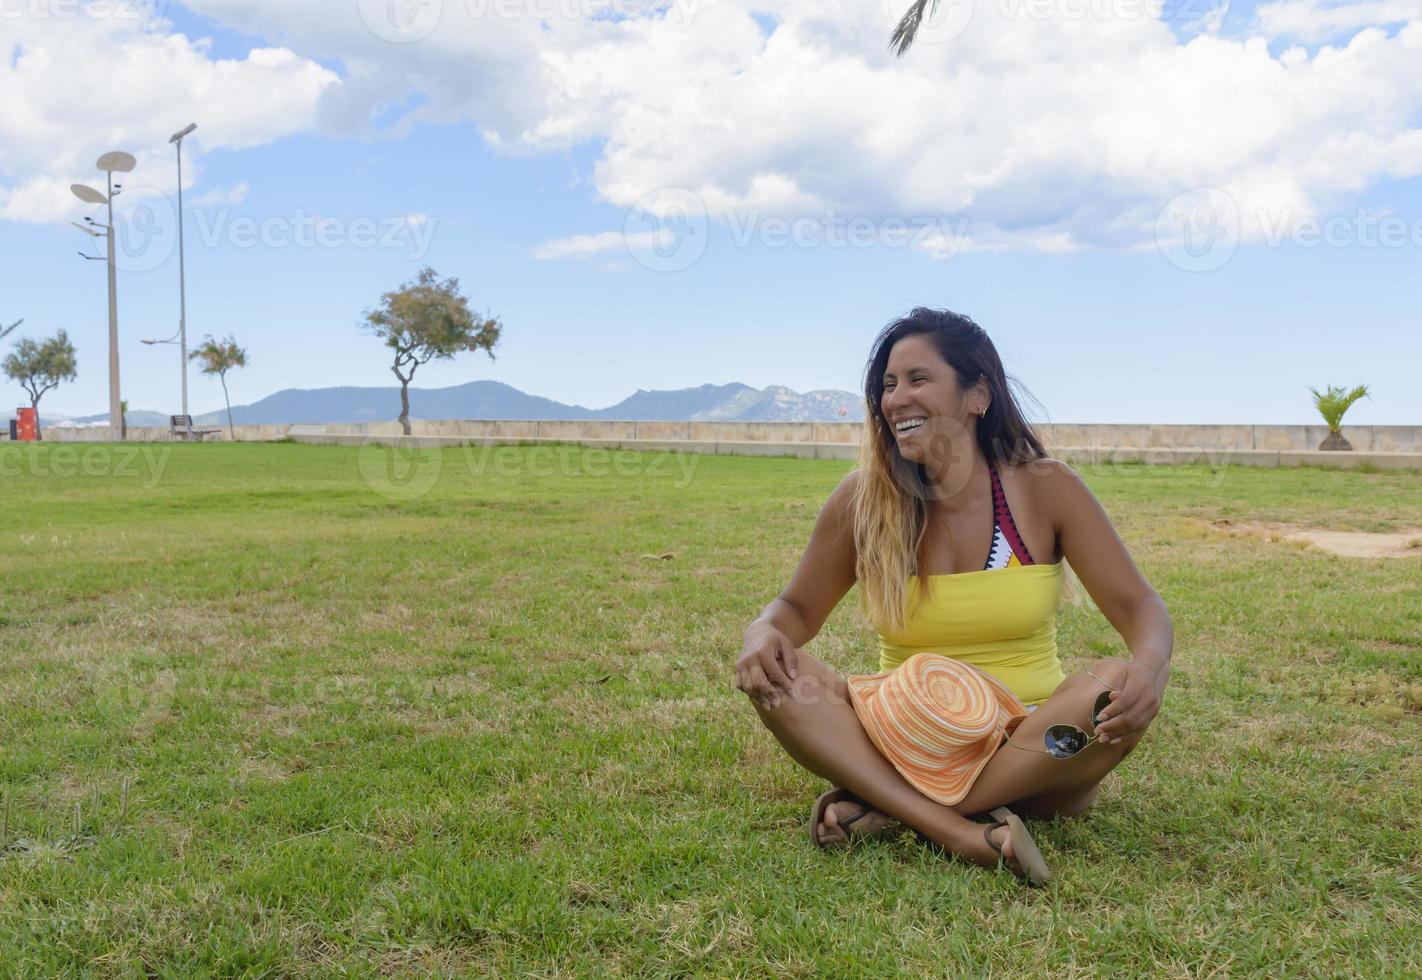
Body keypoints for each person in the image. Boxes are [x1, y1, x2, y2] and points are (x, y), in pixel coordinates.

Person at [733, 308, 1172, 884]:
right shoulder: (861, 500)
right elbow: (797, 609)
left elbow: (1141, 606)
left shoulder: (1046, 488)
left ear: (977, 395)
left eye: (918, 379)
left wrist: (1148, 668)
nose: (896, 400)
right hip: (903, 739)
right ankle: (961, 832)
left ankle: (892, 809)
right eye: (888, 385)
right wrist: (763, 631)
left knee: (1111, 683)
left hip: (1032, 749)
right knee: (783, 680)